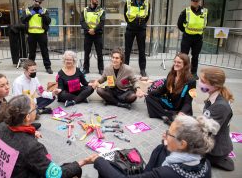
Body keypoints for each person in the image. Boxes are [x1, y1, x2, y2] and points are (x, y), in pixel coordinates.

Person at [86, 115, 220, 178]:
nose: (165, 134)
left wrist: (99, 161)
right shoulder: (205, 163)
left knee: (107, 168)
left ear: (183, 143)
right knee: (160, 148)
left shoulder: (166, 173)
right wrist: (166, 144)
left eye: (170, 134)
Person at [0, 95, 92, 177]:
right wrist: (83, 161)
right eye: (35, 109)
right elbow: (56, 175)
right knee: (74, 170)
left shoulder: (2, 126)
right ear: (27, 117)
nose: (36, 110)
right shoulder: (31, 147)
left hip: (4, 174)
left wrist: (30, 134)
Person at [199, 67, 235, 171]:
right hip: (213, 142)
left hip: (215, 150)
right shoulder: (214, 98)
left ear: (214, 85)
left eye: (203, 81)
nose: (200, 83)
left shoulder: (220, 106)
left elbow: (207, 129)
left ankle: (216, 161)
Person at [145, 53, 196, 124]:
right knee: (149, 98)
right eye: (175, 62)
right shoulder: (171, 74)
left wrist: (182, 112)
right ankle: (169, 115)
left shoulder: (191, 81)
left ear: (185, 64)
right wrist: (148, 93)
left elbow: (188, 102)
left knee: (184, 118)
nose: (176, 64)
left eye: (179, 62)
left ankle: (167, 115)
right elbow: (162, 90)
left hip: (181, 108)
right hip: (170, 103)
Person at [177, 0, 208, 80]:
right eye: (193, 0)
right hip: (187, 37)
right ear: (191, 1)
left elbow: (205, 24)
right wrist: (186, 31)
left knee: (195, 56)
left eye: (197, 0)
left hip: (198, 38)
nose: (195, 2)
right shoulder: (186, 11)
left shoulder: (204, 11)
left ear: (199, 1)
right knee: (184, 56)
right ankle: (183, 72)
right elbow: (179, 24)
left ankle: (193, 72)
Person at [21, 0, 53, 74]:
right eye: (35, 1)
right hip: (31, 34)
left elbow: (48, 21)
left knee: (44, 51)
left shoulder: (44, 10)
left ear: (41, 2)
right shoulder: (28, 10)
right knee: (32, 52)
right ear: (33, 0)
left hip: (42, 34)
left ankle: (48, 67)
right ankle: (30, 68)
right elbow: (23, 20)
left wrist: (43, 15)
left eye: (39, 2)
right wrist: (30, 14)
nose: (37, 3)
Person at [124, 0, 150, 77]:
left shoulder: (146, 2)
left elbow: (147, 16)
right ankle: (125, 69)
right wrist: (132, 23)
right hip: (130, 29)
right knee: (127, 50)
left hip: (141, 29)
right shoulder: (129, 2)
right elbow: (125, 15)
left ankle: (142, 69)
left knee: (142, 50)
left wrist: (141, 24)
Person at [80, 0, 105, 75]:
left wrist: (94, 30)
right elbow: (82, 22)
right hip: (88, 35)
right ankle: (86, 69)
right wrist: (89, 30)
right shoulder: (85, 10)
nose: (97, 0)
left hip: (97, 34)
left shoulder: (101, 10)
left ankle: (101, 69)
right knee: (86, 53)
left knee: (99, 53)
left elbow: (102, 22)